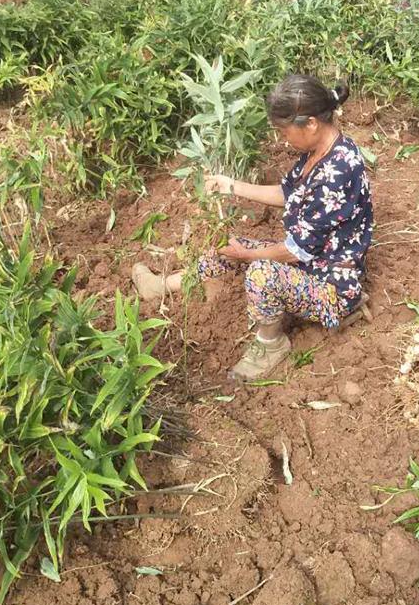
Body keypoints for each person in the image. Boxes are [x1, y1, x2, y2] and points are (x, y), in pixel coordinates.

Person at [131, 74, 373, 381]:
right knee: (230, 246)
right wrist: (230, 186)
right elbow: (287, 193)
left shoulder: (339, 169)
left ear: (310, 124)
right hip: (309, 261)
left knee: (261, 271)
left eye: (285, 131)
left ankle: (270, 344)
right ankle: (165, 285)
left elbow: (293, 250)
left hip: (332, 286)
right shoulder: (317, 153)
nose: (284, 138)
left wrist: (246, 255)